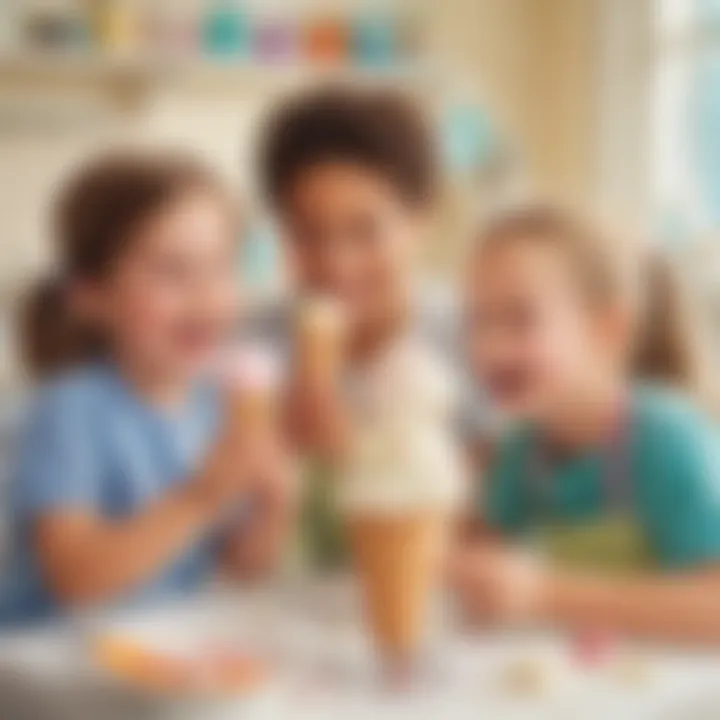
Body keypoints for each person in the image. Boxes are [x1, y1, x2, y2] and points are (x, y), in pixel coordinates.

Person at [0, 151, 294, 626]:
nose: (204, 293)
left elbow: (241, 571)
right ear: (91, 297)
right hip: (42, 667)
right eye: (171, 271)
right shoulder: (71, 410)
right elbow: (75, 575)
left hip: (147, 655)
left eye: (221, 268)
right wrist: (203, 495)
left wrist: (274, 506)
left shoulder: (216, 407)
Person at [450, 204, 720, 642]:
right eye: (478, 321)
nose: (490, 348)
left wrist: (546, 595)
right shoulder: (521, 451)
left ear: (608, 330)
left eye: (520, 319)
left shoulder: (668, 440)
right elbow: (489, 568)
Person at [254, 85, 481, 564]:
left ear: (422, 220)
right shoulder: (254, 352)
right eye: (307, 234)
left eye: (365, 231)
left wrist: (353, 457)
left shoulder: (476, 339)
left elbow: (495, 524)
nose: (335, 263)